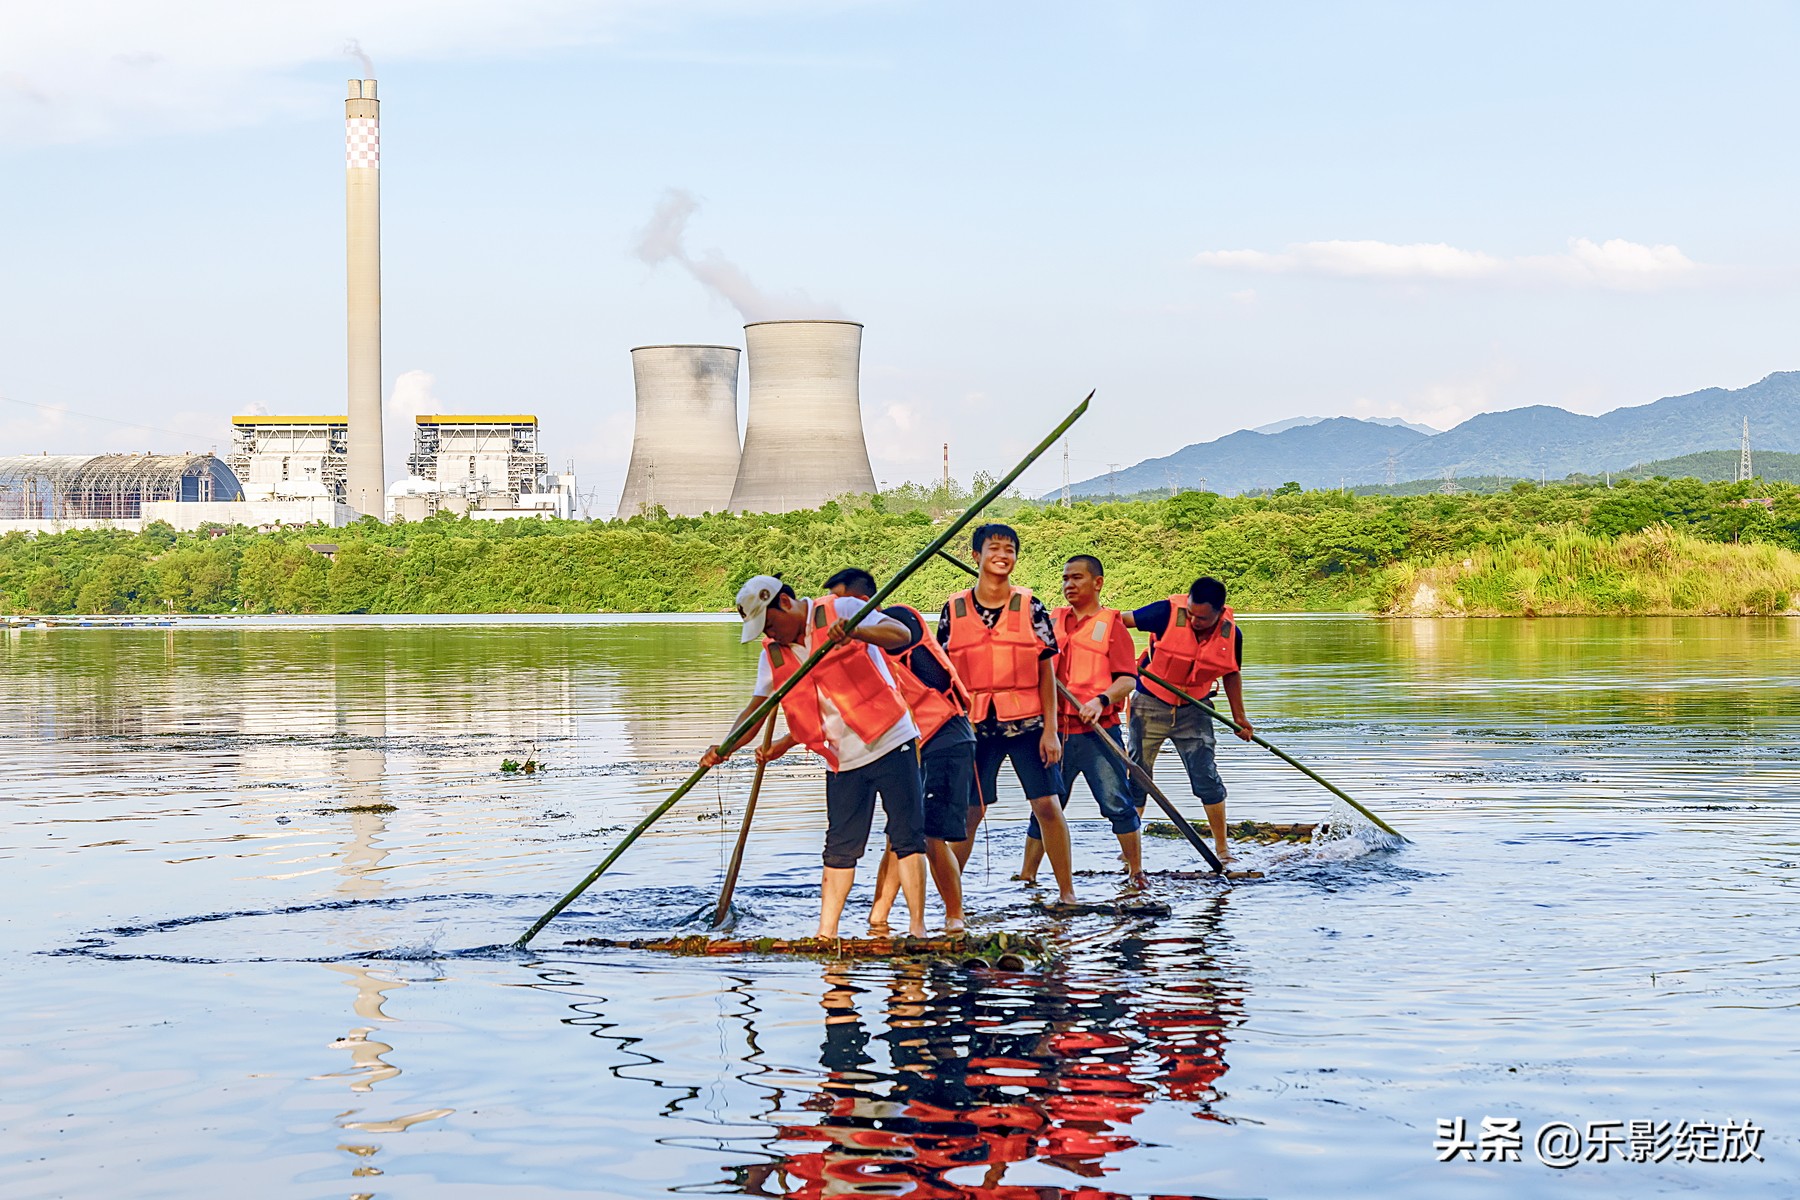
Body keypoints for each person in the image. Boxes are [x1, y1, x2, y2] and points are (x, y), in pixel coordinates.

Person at [701, 573, 929, 938]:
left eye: (770, 625)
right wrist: (725, 747)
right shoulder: (773, 655)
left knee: (907, 838)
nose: (770, 635)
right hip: (841, 757)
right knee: (839, 848)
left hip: (891, 739)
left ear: (785, 603)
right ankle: (826, 932)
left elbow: (901, 634)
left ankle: (918, 928)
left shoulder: (844, 609)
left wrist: (857, 632)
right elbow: (755, 711)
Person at [825, 568, 975, 934]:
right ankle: (879, 917)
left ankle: (955, 917)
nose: (833, 611)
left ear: (860, 602)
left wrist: (854, 631)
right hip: (909, 742)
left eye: (839, 602)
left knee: (928, 834)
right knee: (902, 834)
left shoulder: (897, 621)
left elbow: (894, 638)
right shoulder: (855, 645)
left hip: (944, 733)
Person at [938, 523, 1078, 906]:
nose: (1002, 555)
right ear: (976, 556)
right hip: (974, 728)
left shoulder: (1030, 605)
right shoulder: (954, 608)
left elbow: (1047, 671)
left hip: (1028, 725)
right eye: (994, 548)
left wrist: (1051, 730)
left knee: (1047, 804)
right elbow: (943, 675)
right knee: (971, 812)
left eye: (1009, 549)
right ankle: (950, 902)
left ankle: (1067, 894)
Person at [1019, 554, 1146, 887]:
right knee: (1045, 806)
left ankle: (1136, 873)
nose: (1069, 585)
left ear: (1097, 582)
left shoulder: (1112, 625)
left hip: (1098, 734)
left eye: (1076, 578)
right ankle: (1027, 876)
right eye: (1065, 579)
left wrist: (1100, 700)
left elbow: (1127, 680)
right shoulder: (1050, 622)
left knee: (1117, 803)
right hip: (1053, 733)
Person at [1120, 576, 1253, 864]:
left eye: (1202, 618)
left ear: (1219, 613)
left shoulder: (1232, 634)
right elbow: (1117, 623)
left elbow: (1231, 673)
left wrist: (1240, 718)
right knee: (1138, 775)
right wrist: (1120, 665)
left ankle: (1222, 849)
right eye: (1191, 613)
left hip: (1195, 708)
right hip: (1150, 702)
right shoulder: (1165, 613)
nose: (1193, 621)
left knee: (1206, 776)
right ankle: (1129, 852)